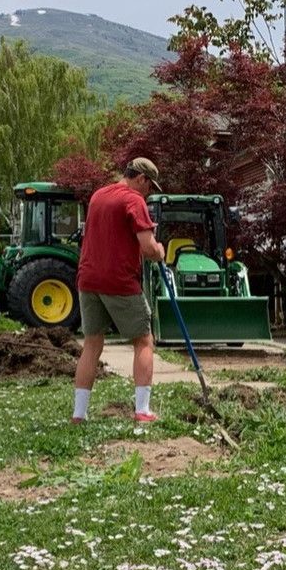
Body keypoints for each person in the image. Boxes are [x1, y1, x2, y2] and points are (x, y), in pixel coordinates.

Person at [72, 157, 167, 425]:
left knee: (91, 344)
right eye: (150, 187)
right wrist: (160, 251)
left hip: (88, 279)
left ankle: (79, 414)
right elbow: (148, 248)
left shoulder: (98, 196)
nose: (149, 193)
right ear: (141, 179)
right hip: (119, 281)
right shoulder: (133, 200)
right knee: (143, 340)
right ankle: (142, 410)